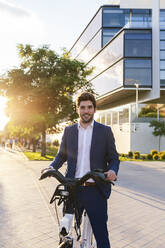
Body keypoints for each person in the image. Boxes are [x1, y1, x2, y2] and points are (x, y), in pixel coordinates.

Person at [41, 92, 120, 248]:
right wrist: (51, 167)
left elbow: (114, 158)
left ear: (95, 109)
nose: (86, 111)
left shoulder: (104, 131)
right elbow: (61, 155)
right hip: (72, 188)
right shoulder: (69, 131)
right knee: (65, 232)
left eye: (89, 107)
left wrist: (112, 170)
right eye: (82, 107)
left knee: (101, 236)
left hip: (95, 189)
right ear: (77, 109)